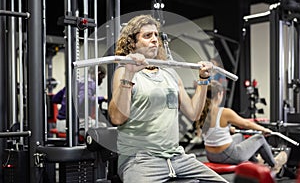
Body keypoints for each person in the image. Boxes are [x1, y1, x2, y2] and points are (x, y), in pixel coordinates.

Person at [108, 14, 228, 183]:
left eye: (156, 35)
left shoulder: (169, 72)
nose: (154, 39)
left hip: (177, 157)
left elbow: (193, 113)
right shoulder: (124, 71)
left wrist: (203, 80)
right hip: (140, 160)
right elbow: (117, 118)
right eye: (147, 35)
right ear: (132, 43)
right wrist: (129, 73)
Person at [197, 80, 288, 175]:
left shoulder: (201, 112)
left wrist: (227, 128)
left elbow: (213, 130)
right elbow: (245, 124)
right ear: (219, 94)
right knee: (260, 138)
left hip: (211, 155)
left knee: (239, 136)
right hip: (227, 155)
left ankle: (256, 162)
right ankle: (274, 165)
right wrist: (263, 129)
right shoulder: (224, 112)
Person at [52, 65, 107, 133]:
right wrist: (103, 98)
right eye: (102, 77)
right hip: (72, 124)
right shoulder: (90, 83)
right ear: (98, 74)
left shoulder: (73, 83)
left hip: (60, 124)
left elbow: (55, 99)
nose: (101, 81)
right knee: (104, 127)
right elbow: (84, 99)